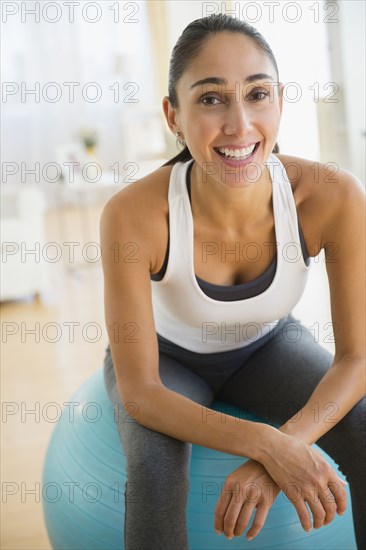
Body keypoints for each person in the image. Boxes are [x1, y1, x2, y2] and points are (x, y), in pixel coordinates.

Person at [100, 14, 365, 550]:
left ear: (280, 101)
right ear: (173, 115)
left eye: (257, 93)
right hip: (166, 362)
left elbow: (357, 360)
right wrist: (267, 444)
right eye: (211, 99)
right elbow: (141, 393)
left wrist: (283, 450)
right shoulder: (133, 213)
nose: (240, 124)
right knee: (154, 470)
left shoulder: (333, 196)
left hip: (268, 347)